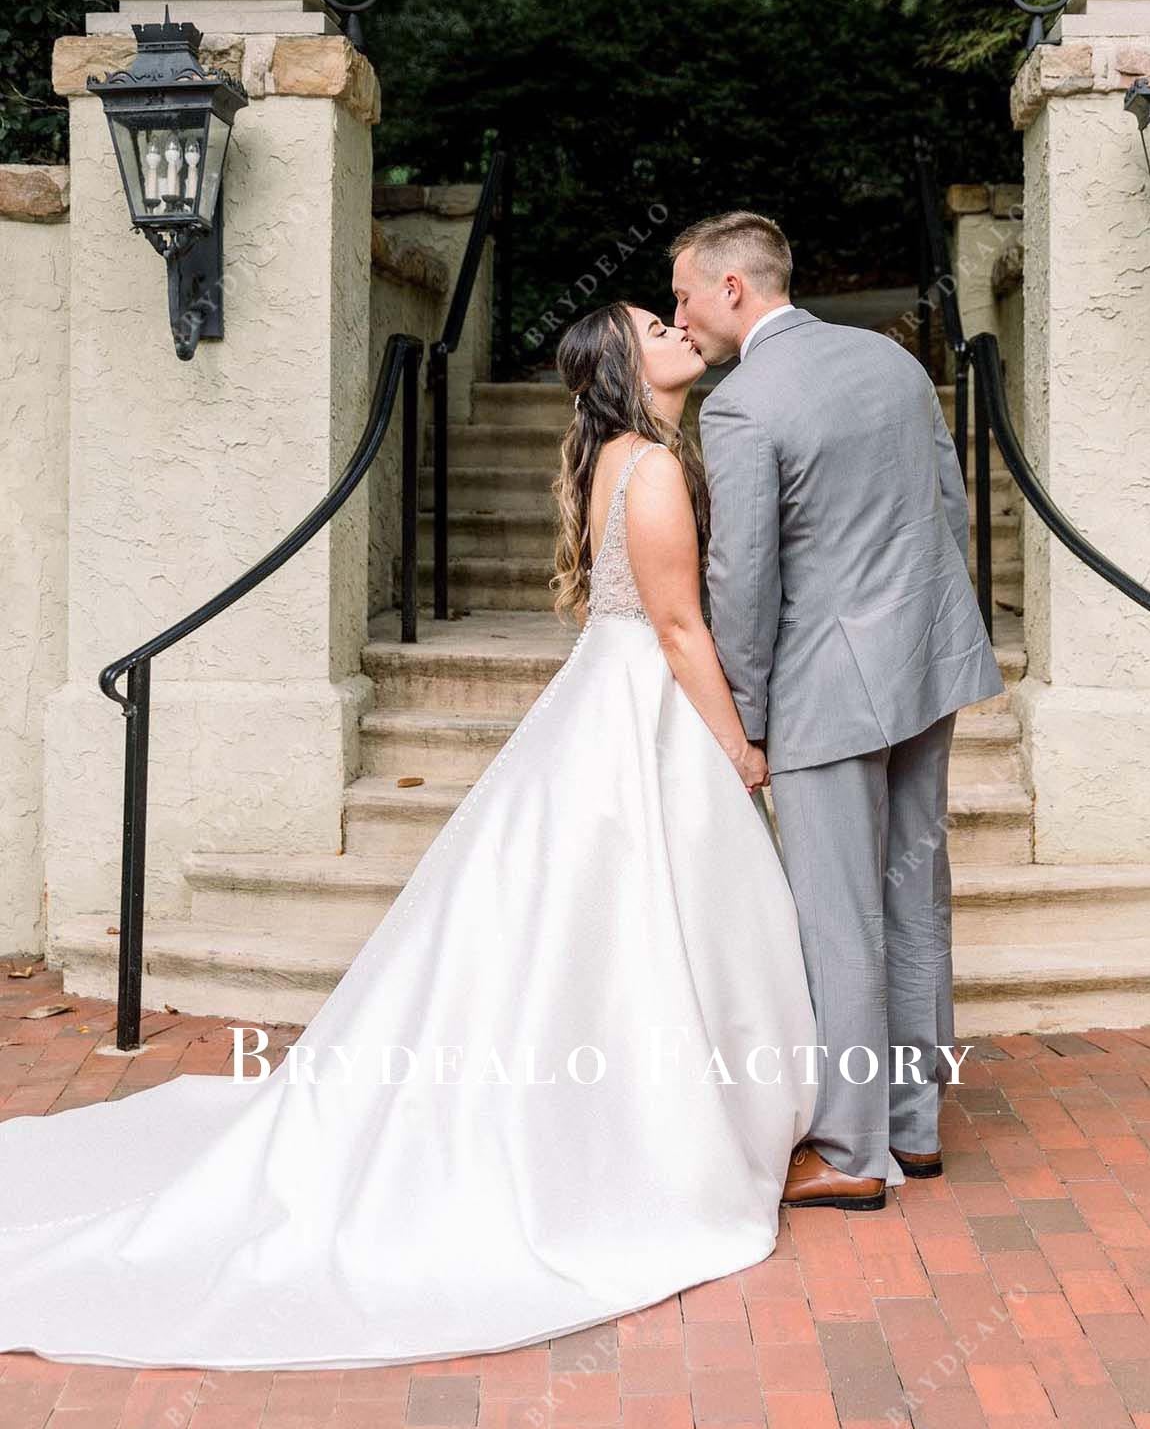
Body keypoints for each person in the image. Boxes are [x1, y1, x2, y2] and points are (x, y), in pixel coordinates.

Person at [0, 300, 905, 1374]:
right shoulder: (654, 469)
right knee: (632, 916)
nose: (673, 327)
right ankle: (644, 1137)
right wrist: (739, 746)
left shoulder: (624, 455)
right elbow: (674, 626)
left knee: (621, 922)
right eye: (651, 324)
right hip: (646, 703)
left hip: (609, 695)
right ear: (624, 364)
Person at [671, 211, 1006, 1210]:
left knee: (838, 920)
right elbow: (948, 506)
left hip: (824, 689)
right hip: (925, 667)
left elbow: (743, 578)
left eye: (686, 291)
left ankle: (854, 1153)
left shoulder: (740, 406)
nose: (680, 312)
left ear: (736, 288)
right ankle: (915, 1123)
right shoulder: (890, 363)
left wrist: (748, 716)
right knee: (914, 894)